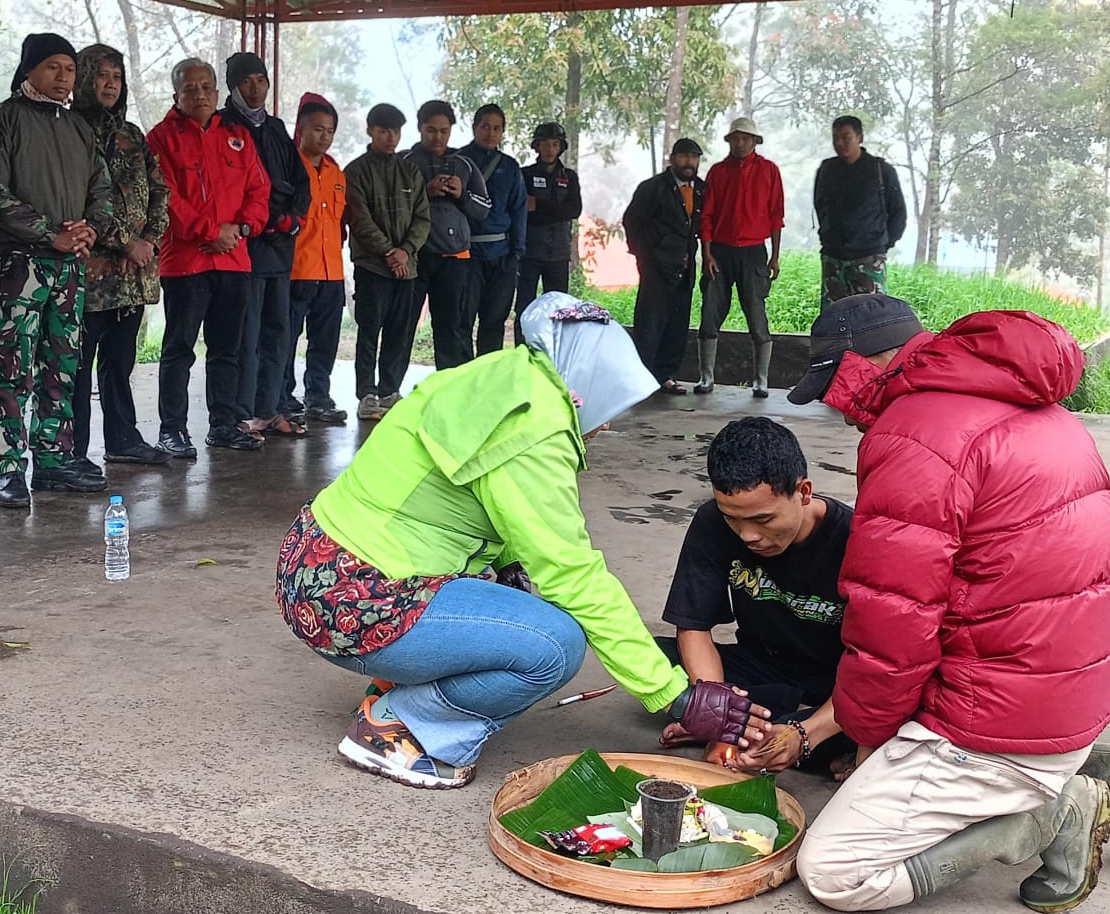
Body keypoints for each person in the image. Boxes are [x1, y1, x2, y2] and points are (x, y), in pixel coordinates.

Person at [276, 292, 770, 789]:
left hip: (315, 567)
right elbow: (573, 575)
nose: (610, 420)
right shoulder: (533, 425)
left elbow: (479, 496)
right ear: (585, 386)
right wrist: (674, 696)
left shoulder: (504, 377)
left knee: (512, 601)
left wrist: (508, 567)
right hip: (361, 596)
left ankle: (393, 686)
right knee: (553, 644)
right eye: (612, 398)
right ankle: (401, 727)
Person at [786, 294, 1110, 912]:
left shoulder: (911, 433)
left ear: (859, 366)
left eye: (831, 386)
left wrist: (868, 740)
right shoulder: (1026, 401)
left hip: (1000, 720)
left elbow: (892, 629)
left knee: (836, 873)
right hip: (1071, 701)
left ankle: (1052, 813)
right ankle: (1100, 765)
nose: (840, 412)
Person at [656, 416, 854, 776]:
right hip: (759, 666)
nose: (747, 535)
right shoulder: (711, 521)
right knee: (654, 664)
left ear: (804, 492)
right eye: (733, 519)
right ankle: (764, 724)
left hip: (836, 680)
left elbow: (879, 665)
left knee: (887, 711)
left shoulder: (856, 540)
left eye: (763, 519)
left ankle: (793, 728)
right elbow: (693, 627)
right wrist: (718, 713)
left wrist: (804, 734)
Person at [0, 33, 113, 507]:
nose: (64, 78)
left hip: (69, 268)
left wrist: (89, 231)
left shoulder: (80, 127)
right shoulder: (3, 120)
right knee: (12, 364)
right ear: (30, 71)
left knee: (62, 364)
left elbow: (102, 189)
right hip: (20, 264)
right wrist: (47, 232)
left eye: (70, 69)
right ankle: (8, 467)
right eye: (53, 68)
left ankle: (54, 461)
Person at [146, 57, 270, 456]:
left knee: (227, 349)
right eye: (189, 89)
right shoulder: (160, 138)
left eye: (206, 88)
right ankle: (172, 430)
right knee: (179, 349)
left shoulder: (237, 135)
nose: (199, 94)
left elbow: (258, 190)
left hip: (234, 260)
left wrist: (242, 229)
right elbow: (165, 197)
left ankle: (223, 425)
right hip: (186, 263)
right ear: (176, 95)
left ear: (217, 94)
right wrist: (209, 231)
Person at [70, 43, 171, 470]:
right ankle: (72, 450)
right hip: (89, 276)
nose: (109, 85)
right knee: (77, 364)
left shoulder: (132, 135)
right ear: (84, 79)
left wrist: (147, 240)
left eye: (116, 77)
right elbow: (77, 200)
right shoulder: (70, 130)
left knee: (121, 362)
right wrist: (124, 241)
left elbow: (160, 191)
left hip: (132, 276)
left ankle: (123, 439)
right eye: (100, 76)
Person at [221, 52, 311, 441]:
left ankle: (268, 410)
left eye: (261, 80)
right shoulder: (225, 127)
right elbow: (237, 186)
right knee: (248, 333)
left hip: (280, 250)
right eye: (246, 82)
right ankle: (242, 415)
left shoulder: (274, 128)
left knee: (279, 331)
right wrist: (266, 218)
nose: (255, 88)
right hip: (246, 246)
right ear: (233, 87)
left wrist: (291, 219)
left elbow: (299, 180)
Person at [343, 103, 429, 421]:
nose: (390, 137)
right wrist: (389, 253)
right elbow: (359, 219)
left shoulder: (410, 171)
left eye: (395, 131)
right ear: (370, 131)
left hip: (407, 268)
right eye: (383, 131)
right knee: (369, 331)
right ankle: (367, 394)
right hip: (372, 267)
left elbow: (422, 216)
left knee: (399, 332)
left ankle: (390, 391)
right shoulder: (356, 171)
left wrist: (405, 250)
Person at [697, 117, 784, 398]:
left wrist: (775, 256)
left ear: (754, 142)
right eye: (736, 138)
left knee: (756, 314)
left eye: (746, 138)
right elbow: (707, 215)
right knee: (710, 310)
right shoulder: (718, 172)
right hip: (720, 251)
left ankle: (761, 380)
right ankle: (705, 378)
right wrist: (707, 253)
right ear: (730, 140)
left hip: (754, 251)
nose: (740, 143)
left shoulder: (769, 171)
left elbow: (776, 215)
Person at [402, 100, 490, 370]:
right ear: (420, 128)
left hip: (455, 259)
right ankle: (389, 392)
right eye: (431, 130)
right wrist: (424, 192)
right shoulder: (405, 161)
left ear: (451, 130)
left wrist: (461, 194)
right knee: (403, 328)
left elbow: (483, 209)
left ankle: (452, 390)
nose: (438, 137)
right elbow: (392, 208)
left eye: (444, 130)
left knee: (451, 329)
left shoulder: (464, 163)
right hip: (415, 258)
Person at [281, 92, 348, 427]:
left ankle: (318, 396)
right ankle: (283, 396)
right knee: (287, 338)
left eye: (330, 131)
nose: (324, 136)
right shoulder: (290, 167)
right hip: (298, 269)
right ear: (301, 129)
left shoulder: (337, 173)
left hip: (332, 271)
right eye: (318, 129)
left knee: (325, 340)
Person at [623, 137, 705, 393]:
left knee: (678, 322)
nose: (689, 162)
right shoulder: (652, 188)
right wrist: (644, 255)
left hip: (685, 266)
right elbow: (632, 222)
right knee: (650, 322)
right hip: (656, 266)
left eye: (694, 157)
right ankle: (642, 378)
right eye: (683, 156)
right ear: (672, 159)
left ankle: (666, 375)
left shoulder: (702, 189)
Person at [813, 115, 906, 312]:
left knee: (872, 317)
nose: (839, 143)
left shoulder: (881, 170)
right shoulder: (827, 170)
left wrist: (881, 245)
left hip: (869, 257)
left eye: (846, 137)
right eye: (835, 138)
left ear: (860, 138)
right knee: (834, 319)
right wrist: (829, 237)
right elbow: (820, 206)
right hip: (833, 258)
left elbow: (898, 213)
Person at [460, 104, 527, 356]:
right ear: (474, 127)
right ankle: (463, 382)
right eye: (485, 126)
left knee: (493, 323)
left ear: (503, 133)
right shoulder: (458, 161)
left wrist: (517, 252)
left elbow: (519, 210)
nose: (490, 133)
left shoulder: (510, 167)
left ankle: (488, 383)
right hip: (466, 256)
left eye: (497, 128)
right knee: (461, 323)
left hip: (502, 255)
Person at [516, 122, 581, 345]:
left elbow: (574, 210)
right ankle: (522, 354)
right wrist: (556, 210)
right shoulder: (524, 175)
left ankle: (554, 356)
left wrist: (540, 205)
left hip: (559, 255)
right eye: (545, 144)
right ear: (537, 146)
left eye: (555, 144)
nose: (549, 149)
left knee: (558, 310)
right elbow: (524, 211)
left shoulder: (569, 177)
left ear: (561, 147)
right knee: (525, 308)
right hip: (529, 253)